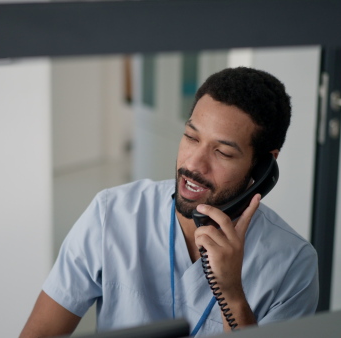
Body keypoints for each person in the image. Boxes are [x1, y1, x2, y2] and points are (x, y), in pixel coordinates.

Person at [19, 67, 319, 337]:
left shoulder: (293, 263)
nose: (194, 164)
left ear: (263, 166)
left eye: (223, 153)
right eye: (191, 137)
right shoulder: (111, 214)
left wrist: (232, 294)